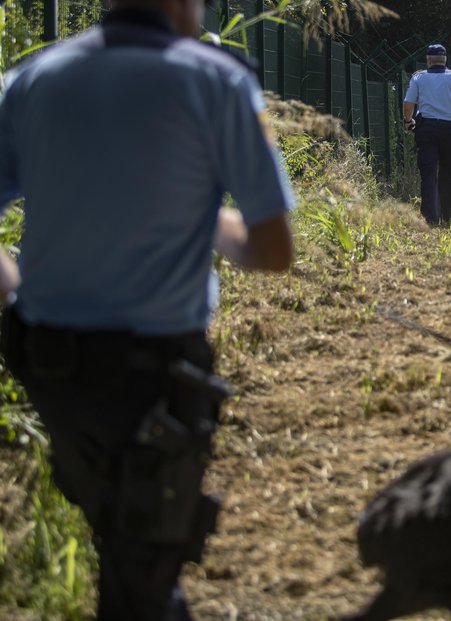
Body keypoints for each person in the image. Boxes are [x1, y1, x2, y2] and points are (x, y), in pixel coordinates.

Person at [0, 0, 295, 619]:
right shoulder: (215, 80)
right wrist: (212, 219)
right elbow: (272, 251)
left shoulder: (32, 79)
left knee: (125, 550)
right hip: (154, 375)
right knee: (146, 577)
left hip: (47, 366)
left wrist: (15, 290)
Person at [402, 43, 451, 226]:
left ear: (428, 60)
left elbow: (408, 104)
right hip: (450, 131)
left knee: (428, 173)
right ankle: (447, 213)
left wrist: (408, 121)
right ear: (445, 60)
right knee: (448, 171)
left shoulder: (418, 78)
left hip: (426, 130)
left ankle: (431, 217)